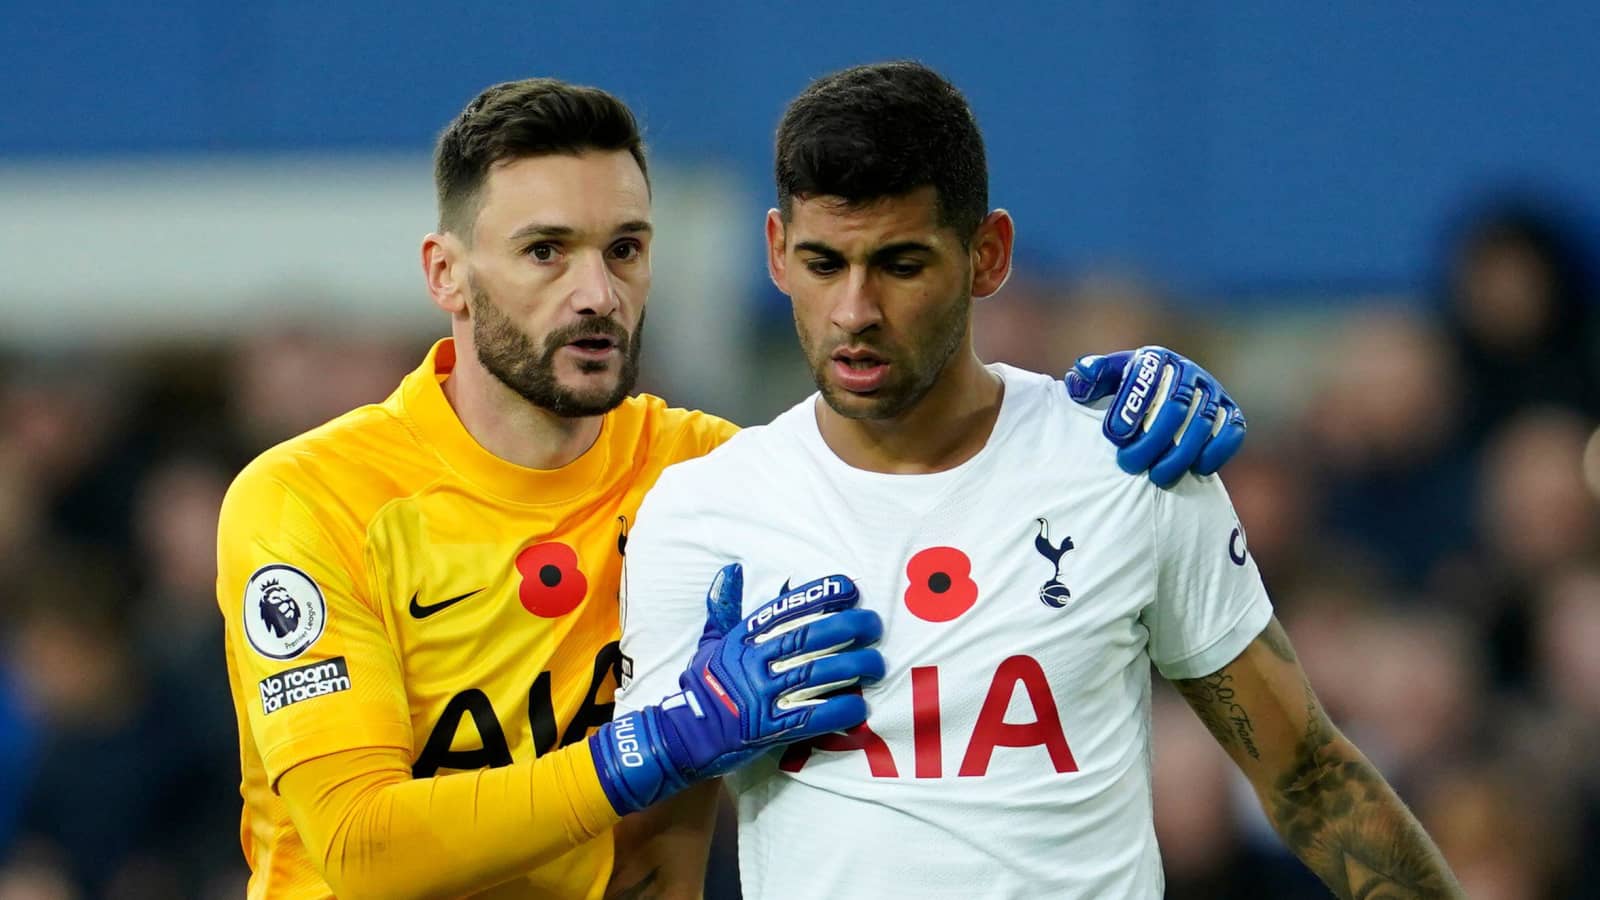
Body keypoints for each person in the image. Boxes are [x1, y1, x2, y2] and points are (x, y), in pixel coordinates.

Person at [215, 78, 1245, 899]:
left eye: (625, 248)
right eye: (545, 252)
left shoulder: (707, 479)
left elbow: (934, 475)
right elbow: (360, 849)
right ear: (446, 274)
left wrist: (1134, 409)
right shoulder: (311, 499)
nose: (596, 293)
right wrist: (652, 747)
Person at [613, 62, 1465, 899]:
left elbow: (1308, 778)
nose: (855, 312)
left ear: (989, 255)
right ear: (774, 251)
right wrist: (687, 738)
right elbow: (656, 860)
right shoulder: (703, 516)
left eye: (901, 265)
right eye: (823, 263)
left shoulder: (1133, 467)